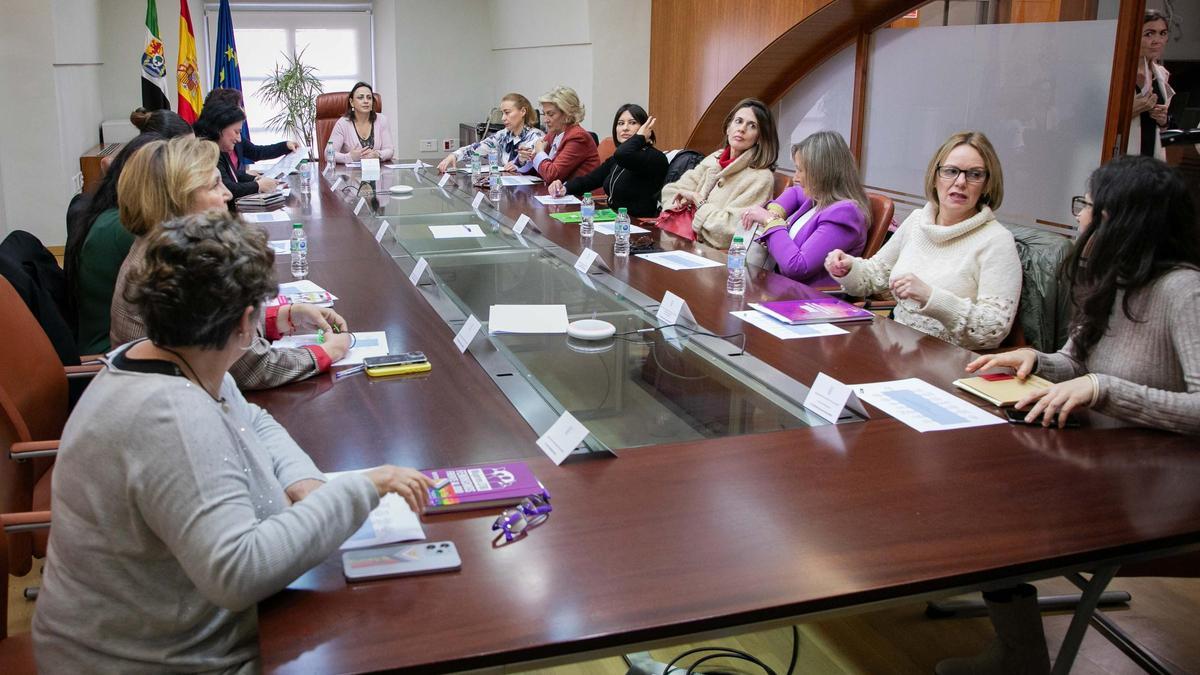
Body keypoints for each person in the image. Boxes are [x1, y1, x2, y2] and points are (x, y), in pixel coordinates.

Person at [33, 209, 436, 673]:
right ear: (246, 323)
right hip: (155, 660)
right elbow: (239, 571)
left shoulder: (170, 352)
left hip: (169, 630)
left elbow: (254, 419)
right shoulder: (171, 416)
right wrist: (366, 487)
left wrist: (304, 480)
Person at [939, 156, 1199, 675]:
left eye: (1090, 209)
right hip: (1100, 457)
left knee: (995, 512)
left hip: (1159, 483)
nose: (1080, 219)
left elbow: (1110, 385)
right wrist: (1038, 359)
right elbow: (1078, 363)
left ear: (1123, 222)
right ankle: (1019, 651)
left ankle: (1020, 655)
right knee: (977, 489)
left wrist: (1105, 389)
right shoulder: (1111, 278)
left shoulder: (1183, 291)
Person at [108, 136, 348, 389]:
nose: (228, 193)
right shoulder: (182, 265)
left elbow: (211, 331)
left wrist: (283, 316)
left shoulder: (158, 246)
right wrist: (326, 353)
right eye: (214, 185)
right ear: (178, 198)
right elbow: (250, 368)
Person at [825, 131, 1020, 350]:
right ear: (935, 177)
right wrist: (849, 268)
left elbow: (993, 330)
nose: (961, 182)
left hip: (951, 363)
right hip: (896, 349)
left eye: (975, 174)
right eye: (951, 171)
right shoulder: (918, 220)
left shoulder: (997, 241)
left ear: (987, 184)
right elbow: (875, 274)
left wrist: (931, 297)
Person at [740, 131, 870, 286]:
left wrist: (769, 220)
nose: (795, 177)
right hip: (781, 288)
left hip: (807, 301)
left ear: (821, 172)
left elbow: (797, 267)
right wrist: (774, 211)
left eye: (800, 170)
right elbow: (794, 193)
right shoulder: (821, 197)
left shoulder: (845, 213)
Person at [660, 98, 779, 248]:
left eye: (752, 126)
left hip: (714, 257)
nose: (742, 129)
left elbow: (727, 232)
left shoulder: (761, 177)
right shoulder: (715, 158)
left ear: (760, 138)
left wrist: (697, 201)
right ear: (728, 127)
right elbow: (671, 191)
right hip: (683, 242)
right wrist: (686, 207)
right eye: (738, 121)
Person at [547, 104, 668, 218]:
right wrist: (564, 187)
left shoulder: (654, 158)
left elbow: (623, 154)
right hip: (613, 220)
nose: (625, 128)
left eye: (632, 123)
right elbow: (591, 180)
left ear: (645, 129)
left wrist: (640, 137)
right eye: (620, 123)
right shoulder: (618, 158)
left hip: (637, 228)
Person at [437, 93, 544, 173]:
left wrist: (518, 162)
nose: (503, 118)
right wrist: (454, 155)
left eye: (507, 113)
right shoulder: (503, 135)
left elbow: (528, 161)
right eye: (502, 113)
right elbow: (479, 148)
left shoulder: (536, 137)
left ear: (523, 112)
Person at [194, 102, 279, 200]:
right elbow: (228, 188)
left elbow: (229, 174)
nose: (239, 139)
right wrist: (258, 185)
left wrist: (254, 179)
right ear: (219, 129)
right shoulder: (206, 153)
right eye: (236, 132)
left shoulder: (220, 149)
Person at [516, 85, 601, 182]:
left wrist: (539, 152)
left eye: (550, 114)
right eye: (544, 114)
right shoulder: (553, 134)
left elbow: (552, 175)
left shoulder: (578, 137)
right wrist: (524, 159)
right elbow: (540, 170)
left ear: (567, 114)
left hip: (580, 195)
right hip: (557, 194)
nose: (545, 120)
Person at [204, 87, 299, 170]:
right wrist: (256, 184)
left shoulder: (235, 135)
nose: (242, 110)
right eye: (238, 106)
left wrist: (285, 146)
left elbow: (256, 152)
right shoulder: (211, 146)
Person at [1131, 9, 1174, 159]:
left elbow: (1166, 127)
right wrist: (1129, 112)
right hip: (1124, 159)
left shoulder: (1162, 74)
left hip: (1152, 161)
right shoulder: (1116, 74)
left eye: (1162, 33)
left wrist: (1163, 120)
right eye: (1149, 34)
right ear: (1134, 36)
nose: (1158, 41)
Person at [328, 81, 395, 163]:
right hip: (350, 174)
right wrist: (350, 157)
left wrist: (377, 154)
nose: (366, 101)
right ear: (352, 102)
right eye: (360, 97)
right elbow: (328, 154)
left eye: (369, 97)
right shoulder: (343, 123)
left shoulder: (382, 120)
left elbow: (389, 150)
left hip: (376, 172)